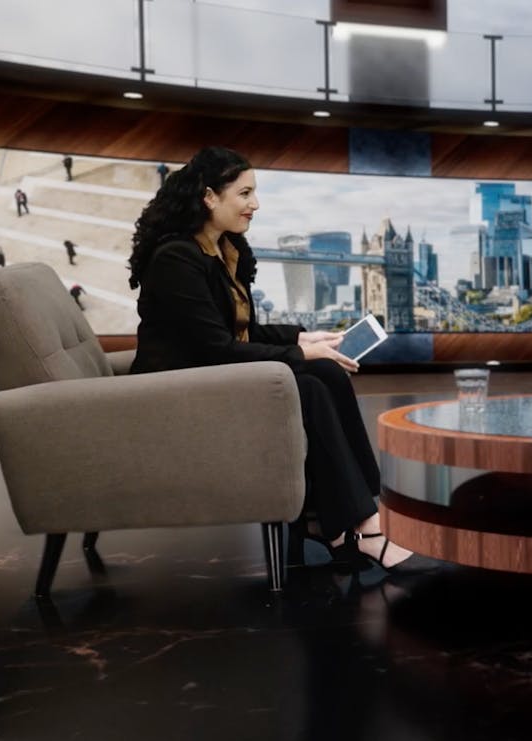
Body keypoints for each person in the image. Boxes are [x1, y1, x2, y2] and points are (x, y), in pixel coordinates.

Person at [127, 146, 423, 573]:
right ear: (209, 197)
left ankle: (342, 515)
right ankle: (361, 526)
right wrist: (299, 353)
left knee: (325, 370)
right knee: (307, 385)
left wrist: (304, 337)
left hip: (211, 379)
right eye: (245, 193)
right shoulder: (176, 258)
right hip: (177, 395)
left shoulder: (224, 251)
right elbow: (216, 348)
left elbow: (242, 332)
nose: (256, 204)